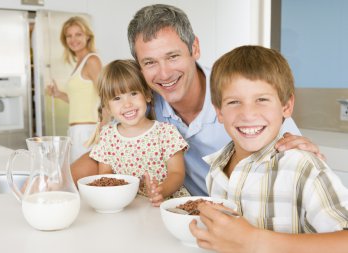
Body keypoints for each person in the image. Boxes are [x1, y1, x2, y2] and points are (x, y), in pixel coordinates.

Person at [71, 4, 322, 196]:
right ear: (140, 67)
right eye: (150, 62)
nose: (164, 73)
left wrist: (305, 155)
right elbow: (100, 157)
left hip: (250, 220)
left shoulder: (238, 97)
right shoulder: (145, 104)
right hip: (188, 219)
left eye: (173, 56)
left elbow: (299, 157)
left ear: (195, 49)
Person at [189, 45, 348, 253]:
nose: (247, 114)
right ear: (219, 111)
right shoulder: (216, 169)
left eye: (262, 100)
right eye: (234, 102)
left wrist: (255, 242)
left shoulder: (302, 167)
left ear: (286, 106)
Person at [89, 59, 190, 206]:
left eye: (133, 93)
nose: (127, 104)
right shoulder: (107, 136)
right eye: (117, 98)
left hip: (166, 205)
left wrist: (161, 190)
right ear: (107, 107)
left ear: (147, 95)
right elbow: (105, 176)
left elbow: (177, 173)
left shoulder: (166, 132)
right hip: (129, 207)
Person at [46, 16, 102, 162]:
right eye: (69, 35)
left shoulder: (92, 61)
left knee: (81, 179)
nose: (73, 39)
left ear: (88, 36)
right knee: (76, 178)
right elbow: (78, 100)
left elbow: (105, 95)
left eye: (78, 34)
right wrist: (58, 94)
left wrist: (104, 127)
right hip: (76, 130)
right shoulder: (80, 63)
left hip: (87, 130)